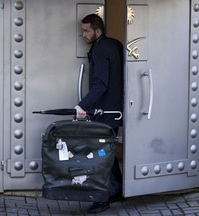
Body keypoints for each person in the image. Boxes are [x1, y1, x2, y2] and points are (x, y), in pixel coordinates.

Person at [75, 14, 124, 213]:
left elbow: (101, 83)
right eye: (82, 30)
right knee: (108, 153)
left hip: (104, 113)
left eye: (87, 31)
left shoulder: (100, 49)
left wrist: (83, 105)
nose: (83, 34)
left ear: (97, 30)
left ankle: (102, 198)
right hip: (115, 111)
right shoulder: (115, 44)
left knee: (100, 155)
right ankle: (117, 189)